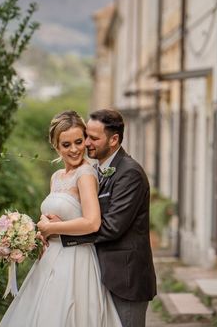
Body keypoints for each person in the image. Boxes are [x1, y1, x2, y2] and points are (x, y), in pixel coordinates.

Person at [0, 110, 122, 327]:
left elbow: (93, 222)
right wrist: (36, 232)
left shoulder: (85, 175)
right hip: (49, 258)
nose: (74, 149)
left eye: (78, 141)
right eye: (66, 144)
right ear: (56, 145)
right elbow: (52, 218)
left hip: (75, 261)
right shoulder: (56, 177)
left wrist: (52, 229)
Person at [42, 109, 157, 327]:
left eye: (93, 138)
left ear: (114, 140)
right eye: (86, 136)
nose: (86, 143)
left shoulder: (129, 173)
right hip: (100, 275)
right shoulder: (99, 170)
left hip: (126, 279)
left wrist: (60, 234)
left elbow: (111, 227)